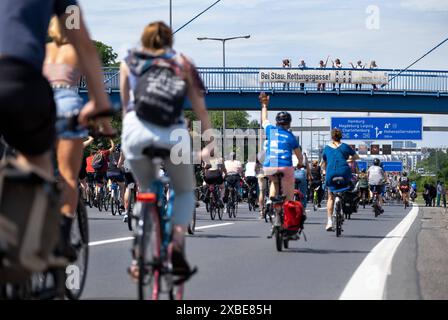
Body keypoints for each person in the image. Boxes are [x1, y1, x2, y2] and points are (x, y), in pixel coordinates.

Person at [120, 21, 213, 278]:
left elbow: (126, 105)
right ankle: (176, 246)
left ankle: (139, 249)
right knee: (184, 190)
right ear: (170, 41)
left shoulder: (129, 59)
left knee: (146, 187)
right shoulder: (184, 63)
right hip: (173, 135)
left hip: (136, 133)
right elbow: (201, 111)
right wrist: (210, 146)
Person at [259, 92, 303, 202]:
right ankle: (287, 205)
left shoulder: (271, 130)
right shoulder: (291, 137)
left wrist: (264, 105)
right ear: (289, 124)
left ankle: (270, 202)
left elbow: (264, 119)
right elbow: (299, 156)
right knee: (289, 188)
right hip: (285, 166)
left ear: (277, 122)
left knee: (274, 181)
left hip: (270, 165)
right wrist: (300, 164)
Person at [320, 128, 359, 231]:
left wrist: (324, 168)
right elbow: (356, 157)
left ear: (332, 137)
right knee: (346, 187)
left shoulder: (327, 148)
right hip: (344, 172)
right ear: (341, 136)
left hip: (331, 173)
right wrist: (349, 159)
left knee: (330, 196)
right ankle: (343, 206)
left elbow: (323, 163)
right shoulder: (346, 146)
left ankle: (329, 222)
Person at [106, 143, 126, 208]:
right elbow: (123, 165)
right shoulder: (122, 155)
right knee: (122, 187)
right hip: (118, 173)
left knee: (111, 179)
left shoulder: (110, 155)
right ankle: (122, 204)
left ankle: (110, 190)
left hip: (109, 173)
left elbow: (108, 164)